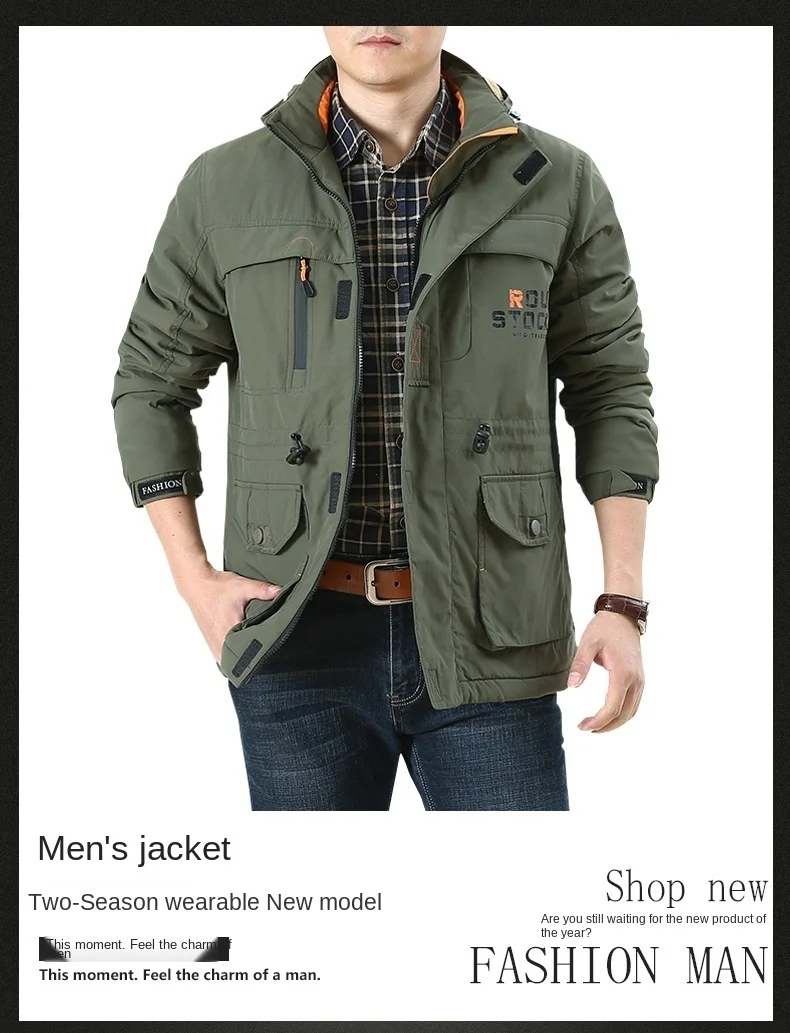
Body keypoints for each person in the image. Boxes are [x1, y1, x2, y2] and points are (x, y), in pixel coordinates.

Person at [111, 26, 658, 811]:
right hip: (294, 635)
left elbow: (611, 388)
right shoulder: (226, 185)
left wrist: (622, 600)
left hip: (494, 632)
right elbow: (150, 382)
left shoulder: (557, 181)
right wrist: (192, 579)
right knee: (313, 895)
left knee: (516, 891)